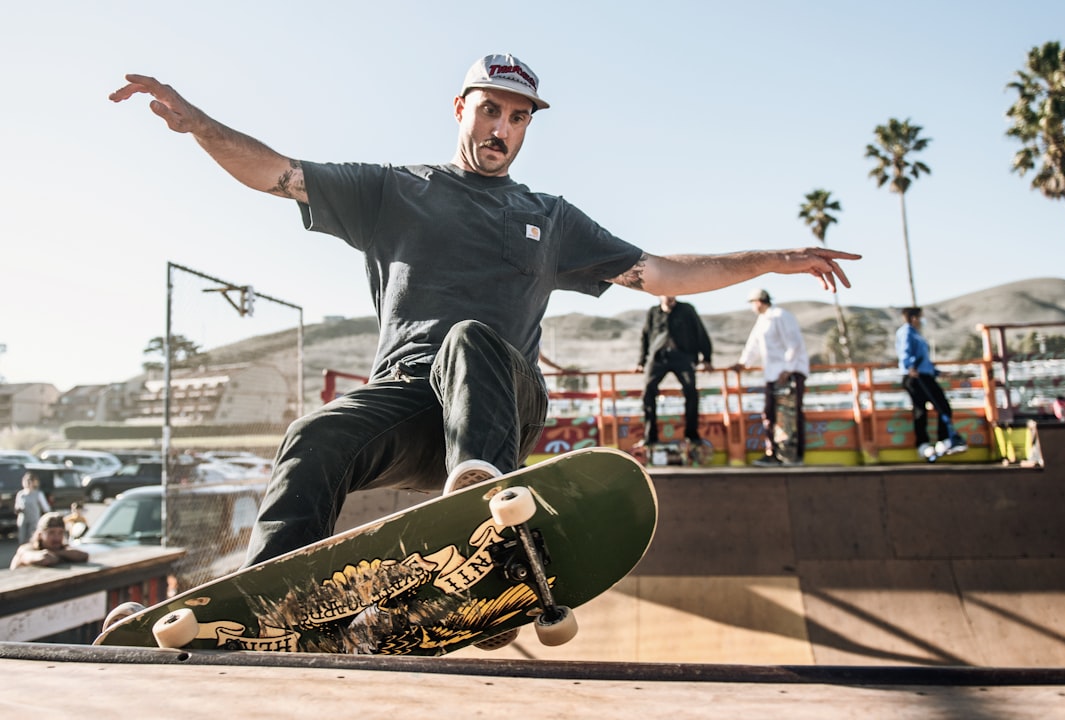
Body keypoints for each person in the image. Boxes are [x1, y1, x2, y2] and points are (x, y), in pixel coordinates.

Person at [109, 54, 859, 572]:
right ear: (461, 108)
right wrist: (199, 124)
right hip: (410, 409)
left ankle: (493, 519)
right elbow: (277, 173)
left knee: (470, 340)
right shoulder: (393, 191)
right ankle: (268, 594)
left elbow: (660, 272)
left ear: (529, 126)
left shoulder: (550, 217)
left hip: (504, 400)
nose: (502, 127)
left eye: (519, 118)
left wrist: (766, 260)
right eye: (491, 110)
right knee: (315, 434)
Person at [732, 289, 809, 466]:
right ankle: (774, 453)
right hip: (774, 374)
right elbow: (753, 345)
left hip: (788, 374)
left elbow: (794, 342)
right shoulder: (763, 321)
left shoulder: (781, 316)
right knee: (771, 414)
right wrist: (744, 363)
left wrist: (788, 368)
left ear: (759, 301)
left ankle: (792, 456)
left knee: (789, 415)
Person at [634, 296, 714, 449]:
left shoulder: (686, 309)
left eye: (672, 294)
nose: (669, 297)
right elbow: (645, 336)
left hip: (682, 356)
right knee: (648, 391)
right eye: (665, 294)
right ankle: (650, 437)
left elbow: (700, 331)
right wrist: (641, 361)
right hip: (658, 357)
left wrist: (707, 357)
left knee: (691, 390)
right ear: (659, 296)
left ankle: (692, 435)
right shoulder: (653, 312)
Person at [896, 307, 967, 459]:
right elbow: (905, 352)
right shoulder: (907, 332)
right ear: (914, 318)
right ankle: (923, 445)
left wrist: (938, 372)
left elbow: (924, 360)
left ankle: (945, 440)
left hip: (925, 375)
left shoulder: (917, 334)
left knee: (943, 406)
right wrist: (909, 367)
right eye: (921, 317)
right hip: (915, 377)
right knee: (921, 410)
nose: (922, 320)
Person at [9, 512, 90, 570]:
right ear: (40, 535)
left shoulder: (61, 549)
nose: (56, 537)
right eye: (51, 532)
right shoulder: (25, 549)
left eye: (60, 532)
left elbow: (83, 556)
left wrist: (58, 553)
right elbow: (45, 559)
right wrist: (61, 555)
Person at [14, 471, 51, 545]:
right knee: (22, 539)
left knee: (32, 538)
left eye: (29, 481)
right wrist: (18, 509)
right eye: (26, 481)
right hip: (23, 519)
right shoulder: (21, 494)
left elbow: (46, 508)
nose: (27, 483)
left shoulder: (38, 494)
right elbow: (17, 506)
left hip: (34, 519)